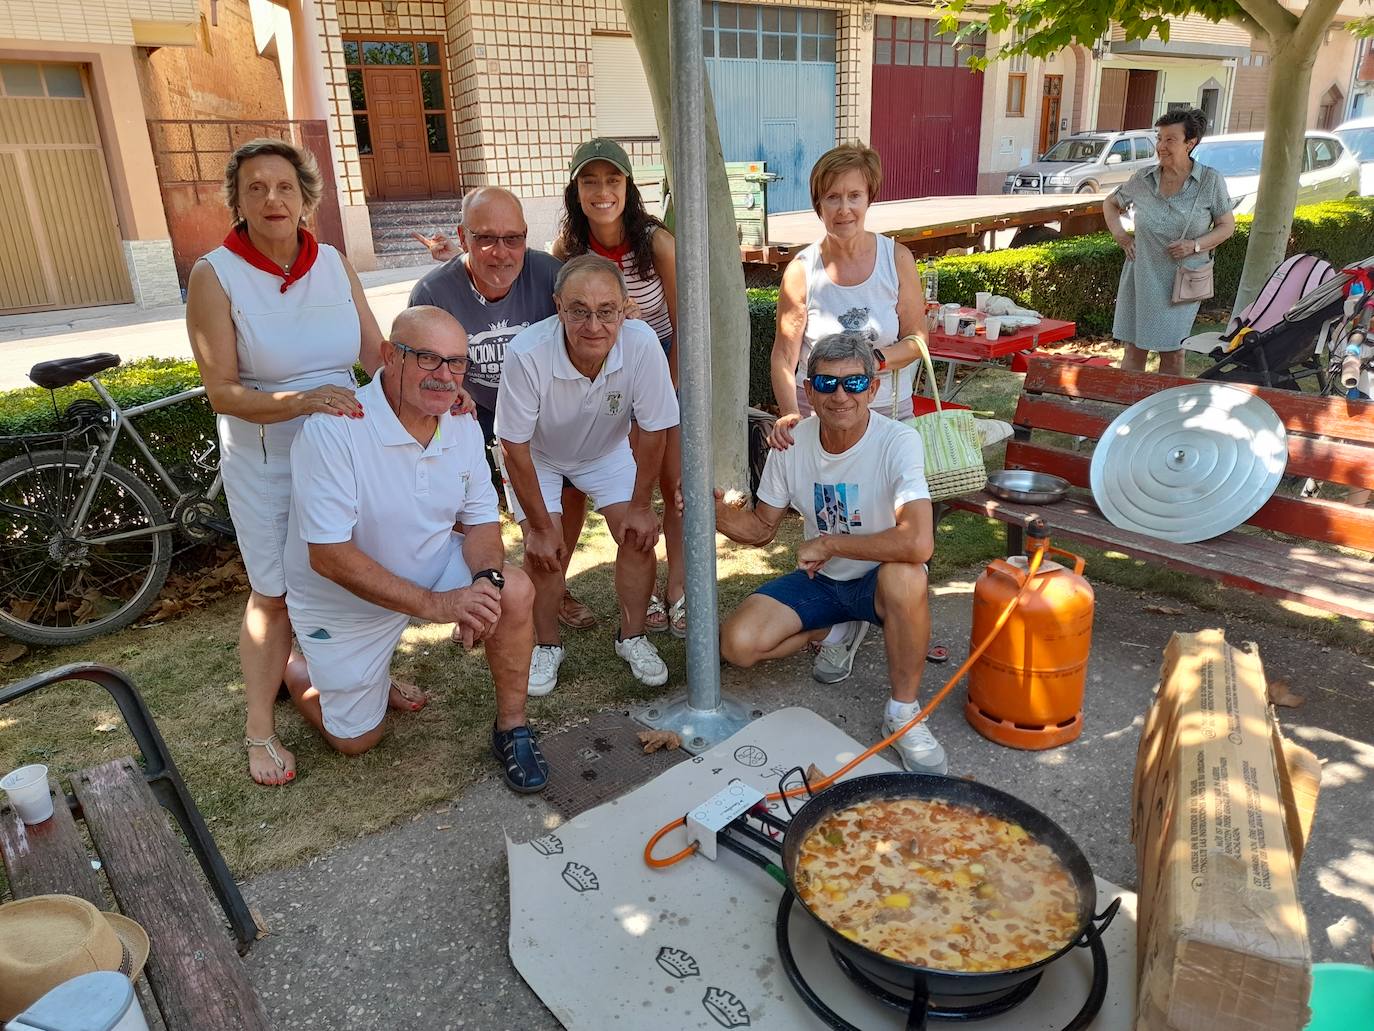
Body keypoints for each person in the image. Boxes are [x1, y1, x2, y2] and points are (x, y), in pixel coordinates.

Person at [281, 306, 550, 792]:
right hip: (343, 601)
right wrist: (440, 605)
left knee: (512, 589)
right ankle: (293, 667)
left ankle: (512, 727)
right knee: (356, 741)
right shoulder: (335, 427)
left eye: (457, 363)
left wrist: (484, 585)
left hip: (427, 564)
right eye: (427, 359)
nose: (445, 377)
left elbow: (481, 520)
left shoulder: (462, 422)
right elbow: (328, 556)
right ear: (388, 355)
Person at [187, 138, 386, 787]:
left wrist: (431, 390)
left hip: (343, 449)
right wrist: (300, 399)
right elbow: (222, 391)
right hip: (267, 458)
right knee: (272, 592)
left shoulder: (333, 261)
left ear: (306, 197)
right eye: (256, 188)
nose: (272, 198)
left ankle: (362, 674)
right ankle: (260, 728)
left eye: (284, 186)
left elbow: (375, 352)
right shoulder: (214, 273)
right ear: (238, 201)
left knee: (355, 569)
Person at [715, 332, 945, 775]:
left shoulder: (898, 441)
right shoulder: (791, 442)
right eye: (826, 384)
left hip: (878, 579)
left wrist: (830, 543)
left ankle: (903, 713)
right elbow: (763, 527)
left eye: (854, 384)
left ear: (873, 389)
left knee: (908, 575)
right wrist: (715, 515)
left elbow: (919, 541)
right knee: (737, 646)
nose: (840, 395)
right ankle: (833, 633)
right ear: (808, 390)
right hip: (823, 581)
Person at [767, 141, 929, 686]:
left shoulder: (894, 258)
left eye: (854, 195)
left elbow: (918, 338)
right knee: (836, 518)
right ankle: (843, 618)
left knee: (899, 531)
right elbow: (784, 354)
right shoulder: (803, 270)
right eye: (832, 197)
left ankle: (899, 612)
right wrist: (792, 414)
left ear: (870, 197)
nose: (844, 208)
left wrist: (869, 365)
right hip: (826, 424)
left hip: (885, 415)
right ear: (818, 204)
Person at [497, 254, 679, 696]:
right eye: (578, 310)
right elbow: (513, 446)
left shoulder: (642, 343)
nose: (593, 325)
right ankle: (546, 645)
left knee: (638, 536)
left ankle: (631, 637)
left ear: (624, 308)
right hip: (537, 455)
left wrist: (641, 506)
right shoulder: (526, 353)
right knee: (546, 550)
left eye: (606, 311)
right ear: (558, 306)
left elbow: (655, 428)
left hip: (605, 450)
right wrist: (539, 527)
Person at [551, 138, 687, 639]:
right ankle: (644, 592)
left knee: (671, 486)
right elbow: (564, 324)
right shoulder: (568, 249)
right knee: (626, 488)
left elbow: (684, 323)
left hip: (663, 369)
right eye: (590, 181)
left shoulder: (657, 243)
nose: (601, 191)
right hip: (602, 380)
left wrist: (660, 396)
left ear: (629, 188)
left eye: (612, 180)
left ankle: (678, 589)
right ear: (576, 189)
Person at [407, 187, 560, 471]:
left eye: (512, 238)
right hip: (471, 410)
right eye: (486, 238)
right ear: (463, 237)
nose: (501, 253)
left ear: (525, 235)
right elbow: (415, 373)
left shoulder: (552, 275)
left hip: (542, 406)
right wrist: (449, 391)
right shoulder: (432, 294)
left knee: (565, 490)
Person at [1104, 108, 1236, 377]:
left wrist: (1194, 245)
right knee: (1134, 349)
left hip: (1181, 280)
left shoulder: (1210, 181)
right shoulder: (1143, 179)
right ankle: (1127, 408)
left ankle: (1167, 413)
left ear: (1191, 142)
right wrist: (1121, 236)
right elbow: (1110, 203)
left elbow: (1226, 227)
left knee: (1173, 351)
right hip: (1141, 274)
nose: (1161, 146)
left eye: (1170, 139)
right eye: (1160, 138)